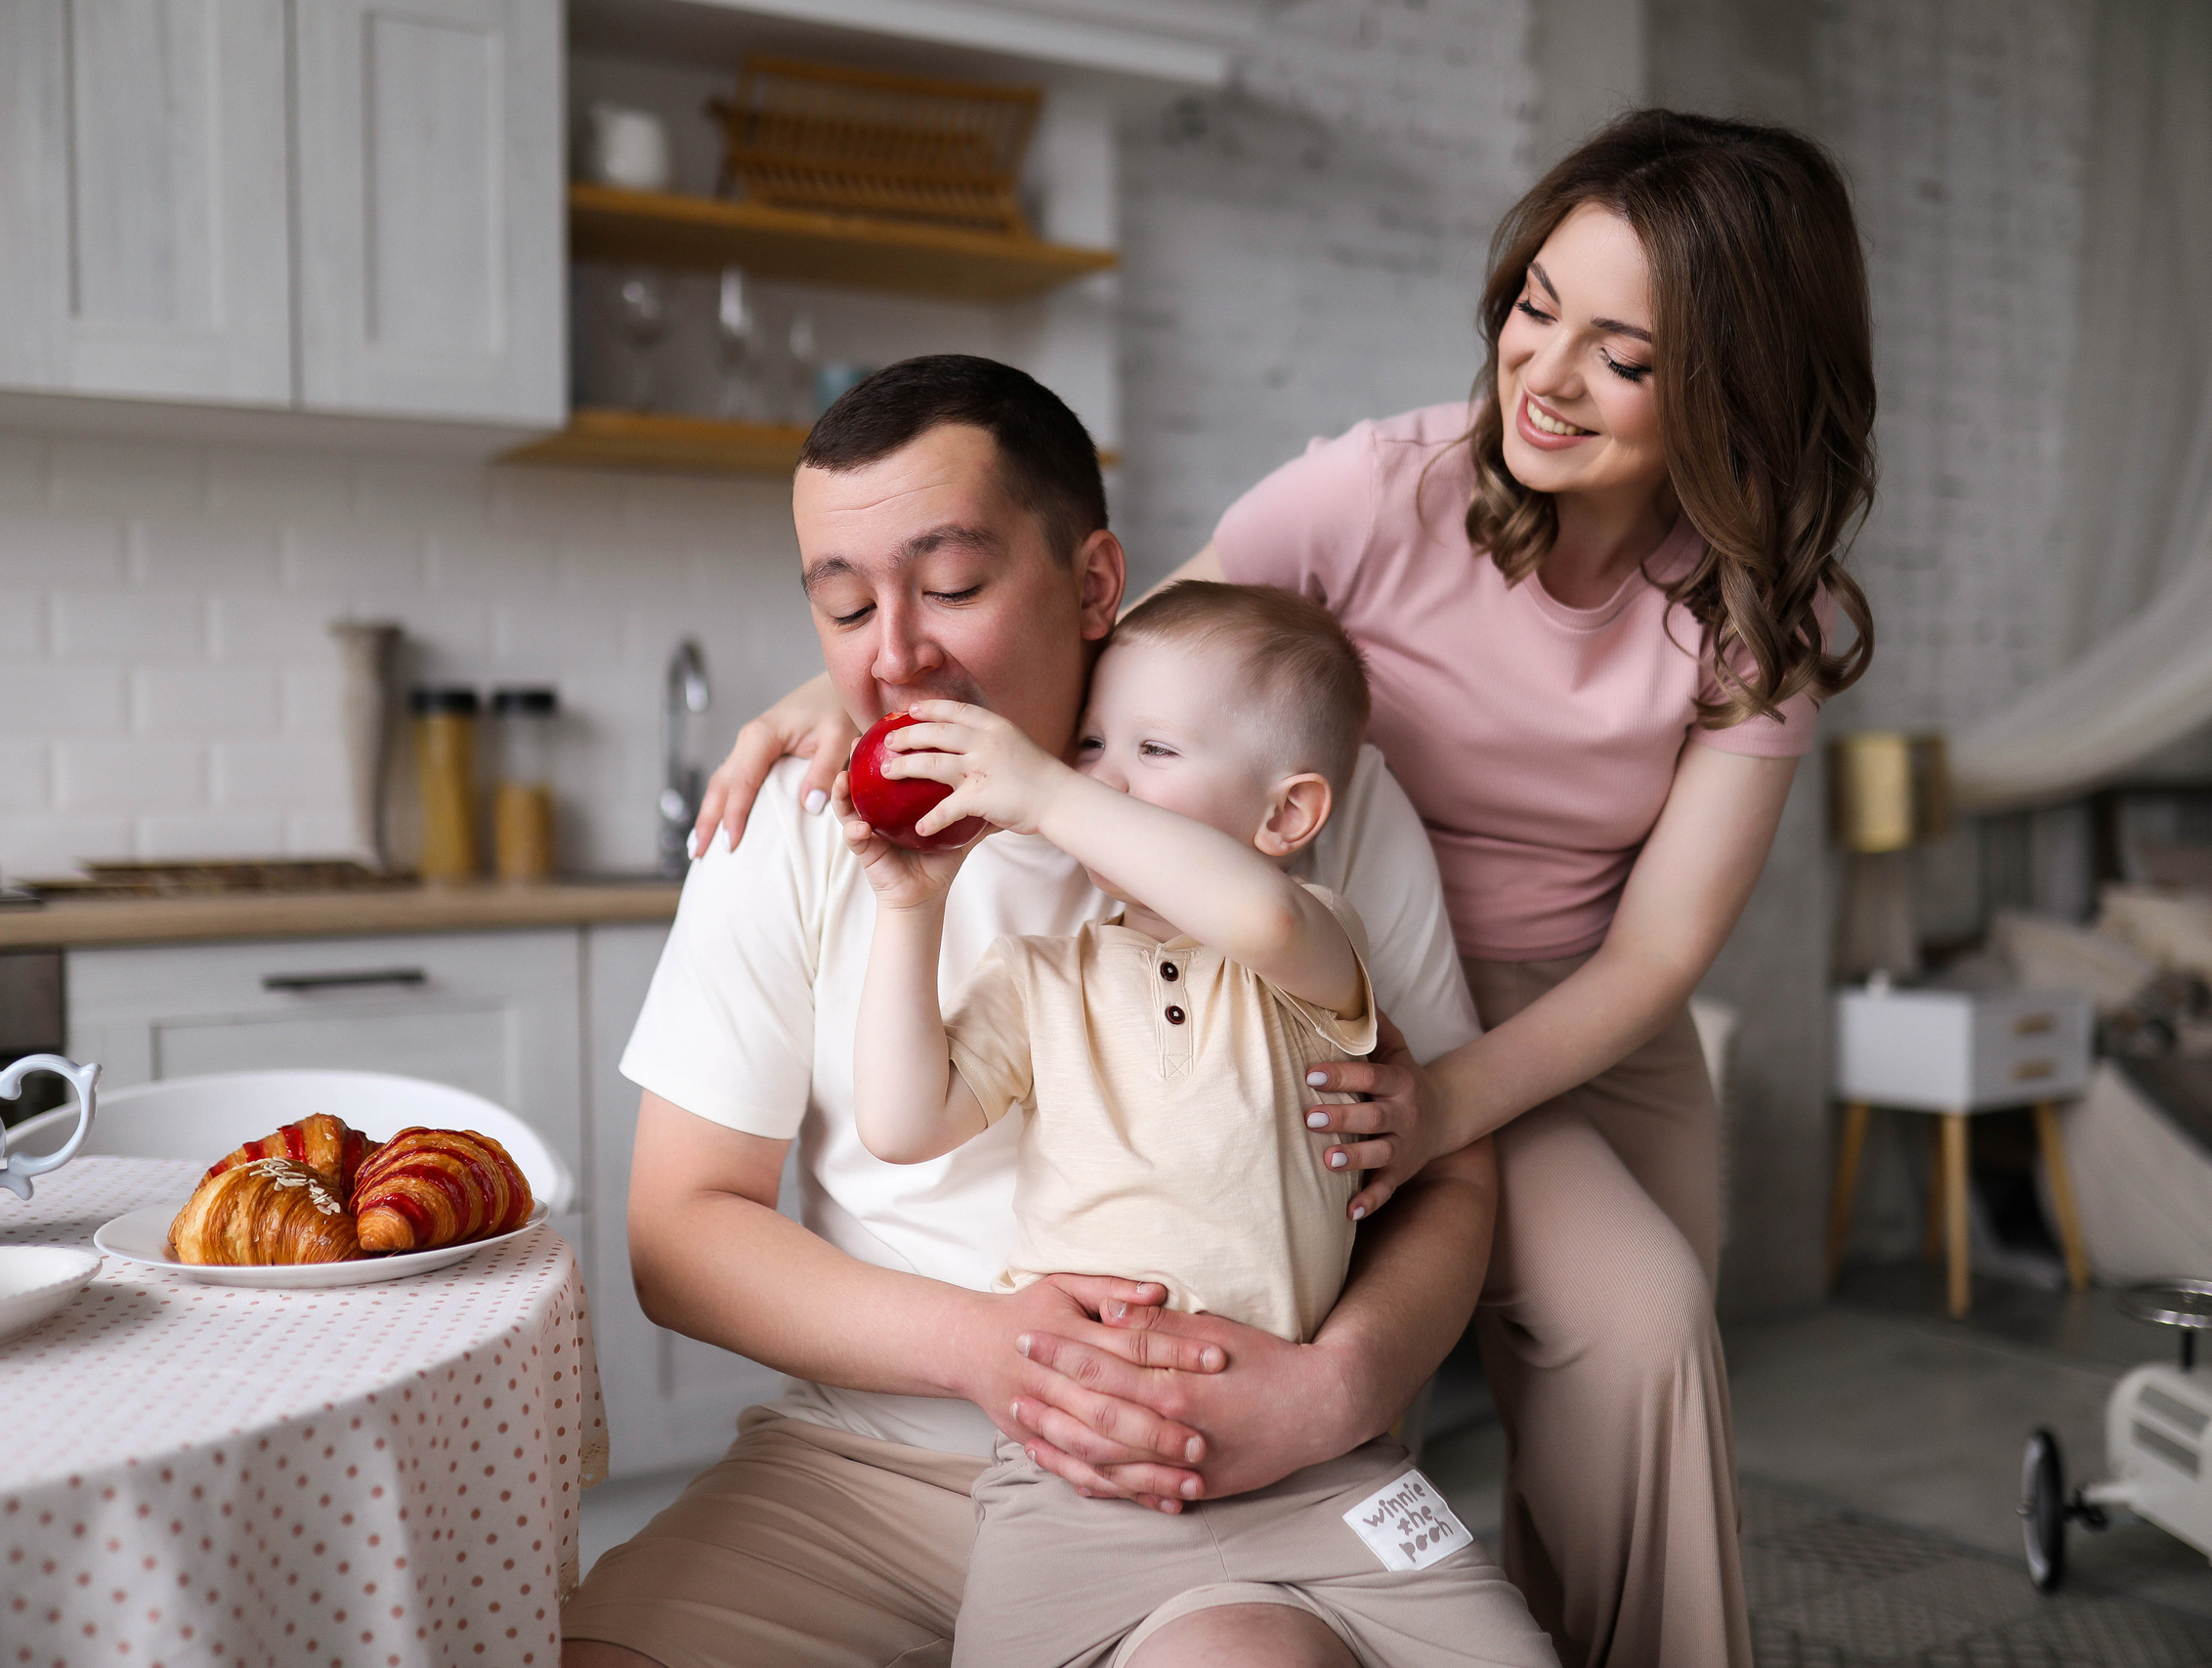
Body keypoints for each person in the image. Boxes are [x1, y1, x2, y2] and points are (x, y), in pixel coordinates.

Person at [693, 109, 1879, 1668]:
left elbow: (1660, 950)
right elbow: (1108, 639)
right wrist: (854, 686)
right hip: (1356, 969)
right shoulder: (1375, 494)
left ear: (1733, 384)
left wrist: (1446, 1100)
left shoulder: (1761, 617)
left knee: (1642, 1339)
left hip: (1579, 1022)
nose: (1546, 373)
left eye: (1624, 354)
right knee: (1411, 1357)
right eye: (1534, 307)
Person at [564, 354, 1517, 1668]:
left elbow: (1450, 1159)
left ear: (1095, 586)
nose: (894, 652)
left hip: (1212, 1471)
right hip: (863, 1465)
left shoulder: (1288, 786)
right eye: (842, 606)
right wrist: (983, 1348)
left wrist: (1340, 1383)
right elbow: (679, 1234)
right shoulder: (790, 820)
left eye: (950, 586)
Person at [845, 584, 1556, 1668]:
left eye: (1154, 749)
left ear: (1285, 817)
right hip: (1077, 1483)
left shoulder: (1307, 951)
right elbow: (900, 1121)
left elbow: (1256, 912)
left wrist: (1042, 790)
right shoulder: (1043, 978)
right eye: (1088, 744)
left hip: (1326, 1470)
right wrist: (913, 909)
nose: (1099, 777)